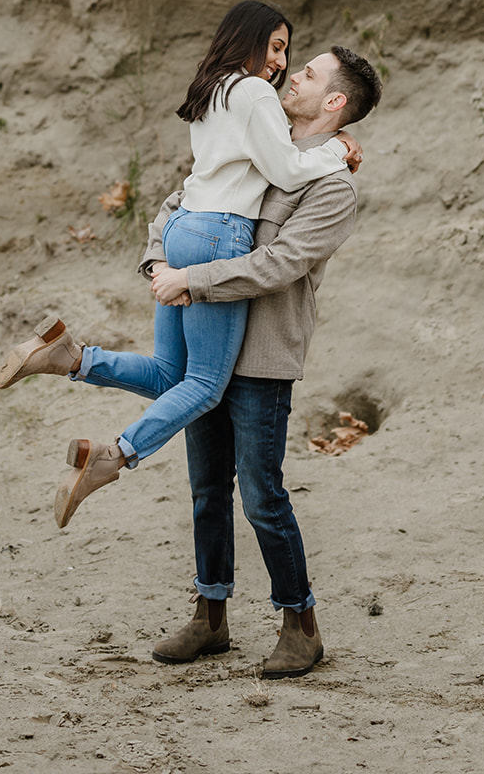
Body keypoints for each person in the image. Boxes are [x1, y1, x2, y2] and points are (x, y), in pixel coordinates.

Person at [0, 0, 360, 529]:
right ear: (250, 38)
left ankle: (70, 357)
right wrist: (337, 152)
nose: (281, 63)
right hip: (219, 235)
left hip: (183, 224)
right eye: (276, 47)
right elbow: (284, 168)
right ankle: (113, 455)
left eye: (287, 53)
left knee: (172, 374)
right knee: (207, 385)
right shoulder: (255, 92)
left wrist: (336, 135)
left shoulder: (213, 89)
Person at [141, 43, 381, 678]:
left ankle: (300, 624)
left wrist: (192, 278)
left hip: (263, 357)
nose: (287, 73)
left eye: (306, 73)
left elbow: (278, 265)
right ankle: (209, 617)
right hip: (207, 347)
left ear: (334, 102)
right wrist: (158, 262)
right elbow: (180, 204)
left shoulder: (332, 187)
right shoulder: (257, 138)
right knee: (206, 491)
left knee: (262, 497)